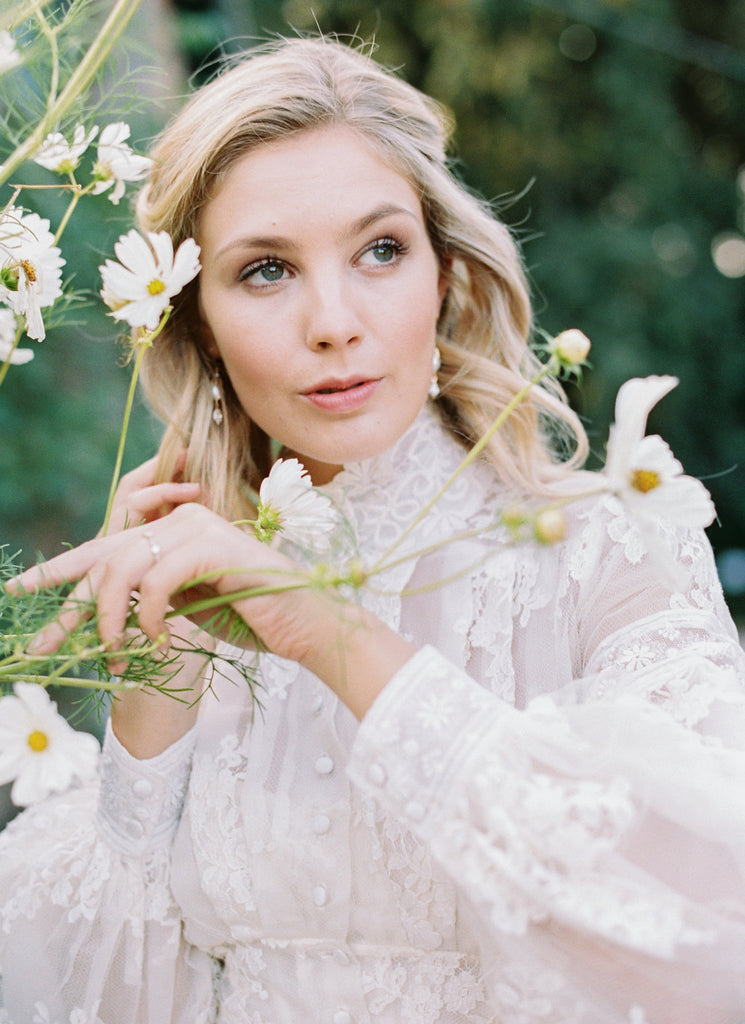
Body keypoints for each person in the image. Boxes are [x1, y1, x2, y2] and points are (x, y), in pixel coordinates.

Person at [1, 36, 745, 1024]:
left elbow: (711, 917)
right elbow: (113, 995)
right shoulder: (189, 586)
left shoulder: (603, 545)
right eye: (266, 270)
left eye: (380, 251)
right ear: (195, 323)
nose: (332, 321)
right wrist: (150, 709)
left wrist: (324, 630)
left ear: (445, 273)